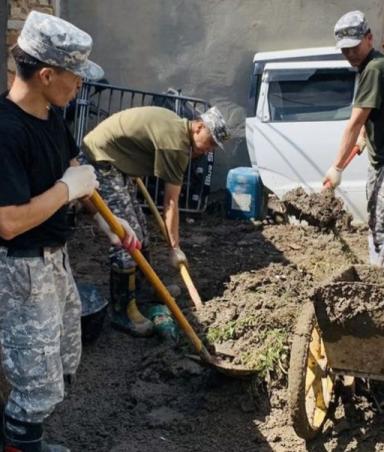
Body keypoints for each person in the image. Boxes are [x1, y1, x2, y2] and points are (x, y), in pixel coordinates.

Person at [0, 11, 139, 452]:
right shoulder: (5, 131)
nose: (80, 85)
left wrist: (111, 227)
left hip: (53, 259)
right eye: (74, 76)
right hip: (19, 270)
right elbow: (8, 221)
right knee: (35, 383)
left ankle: (26, 438)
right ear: (45, 74)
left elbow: (76, 175)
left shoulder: (51, 118)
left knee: (63, 358)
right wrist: (64, 189)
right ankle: (22, 445)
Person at [81, 105, 230, 336]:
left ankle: (144, 291)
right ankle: (123, 310)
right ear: (199, 127)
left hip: (118, 162)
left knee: (141, 231)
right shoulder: (176, 145)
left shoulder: (179, 129)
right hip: (101, 160)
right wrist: (175, 248)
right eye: (210, 143)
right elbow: (170, 203)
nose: (209, 150)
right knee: (126, 239)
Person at [323, 10, 384, 267]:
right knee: (376, 220)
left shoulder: (375, 69)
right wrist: (362, 140)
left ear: (369, 38)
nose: (349, 54)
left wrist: (336, 167)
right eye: (344, 50)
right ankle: (376, 273)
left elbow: (355, 122)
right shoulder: (369, 67)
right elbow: (372, 117)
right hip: (383, 162)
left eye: (354, 48)